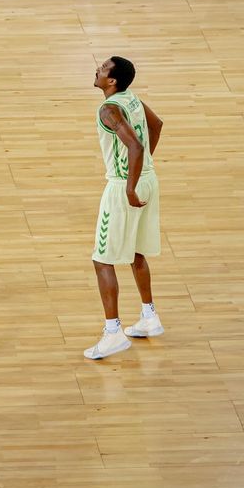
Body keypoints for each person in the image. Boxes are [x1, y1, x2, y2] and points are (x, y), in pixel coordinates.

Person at [83, 56, 164, 361]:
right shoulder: (131, 98)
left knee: (102, 260)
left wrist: (130, 183)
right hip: (149, 179)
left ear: (111, 81)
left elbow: (136, 146)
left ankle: (113, 332)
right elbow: (156, 126)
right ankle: (149, 316)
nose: (97, 69)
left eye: (102, 68)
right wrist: (141, 170)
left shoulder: (109, 109)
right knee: (135, 251)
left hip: (122, 186)